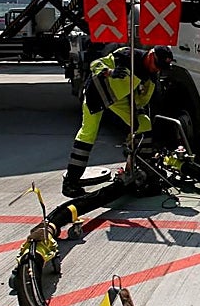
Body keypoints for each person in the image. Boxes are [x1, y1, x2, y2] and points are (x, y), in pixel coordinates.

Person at [63, 45, 175, 197]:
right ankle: (71, 182)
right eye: (157, 65)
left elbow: (144, 99)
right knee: (88, 134)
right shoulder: (127, 55)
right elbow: (95, 64)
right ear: (150, 56)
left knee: (144, 123)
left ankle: (145, 172)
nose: (157, 70)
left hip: (118, 99)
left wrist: (137, 115)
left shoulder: (152, 76)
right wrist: (109, 72)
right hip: (98, 94)